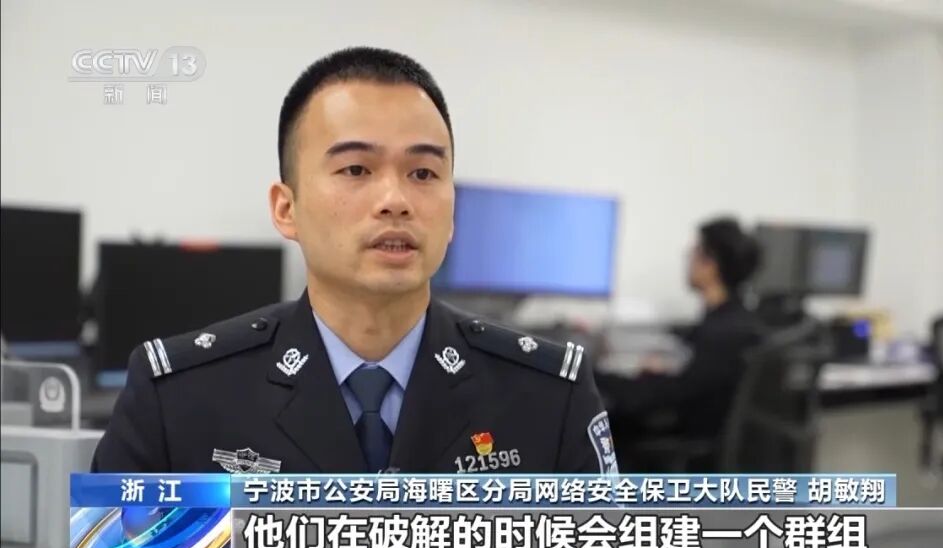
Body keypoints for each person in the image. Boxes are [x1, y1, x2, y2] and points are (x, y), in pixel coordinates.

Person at [91, 47, 616, 475]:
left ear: (452, 211)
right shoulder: (178, 397)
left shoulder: (550, 396)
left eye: (423, 174)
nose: (396, 200)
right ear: (286, 208)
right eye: (356, 169)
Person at [599, 217, 764, 471]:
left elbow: (659, 397)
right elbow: (694, 379)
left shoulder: (722, 334)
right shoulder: (733, 320)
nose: (688, 258)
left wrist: (592, 374)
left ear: (711, 265)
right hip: (696, 430)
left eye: (695, 251)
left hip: (684, 444)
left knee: (603, 419)